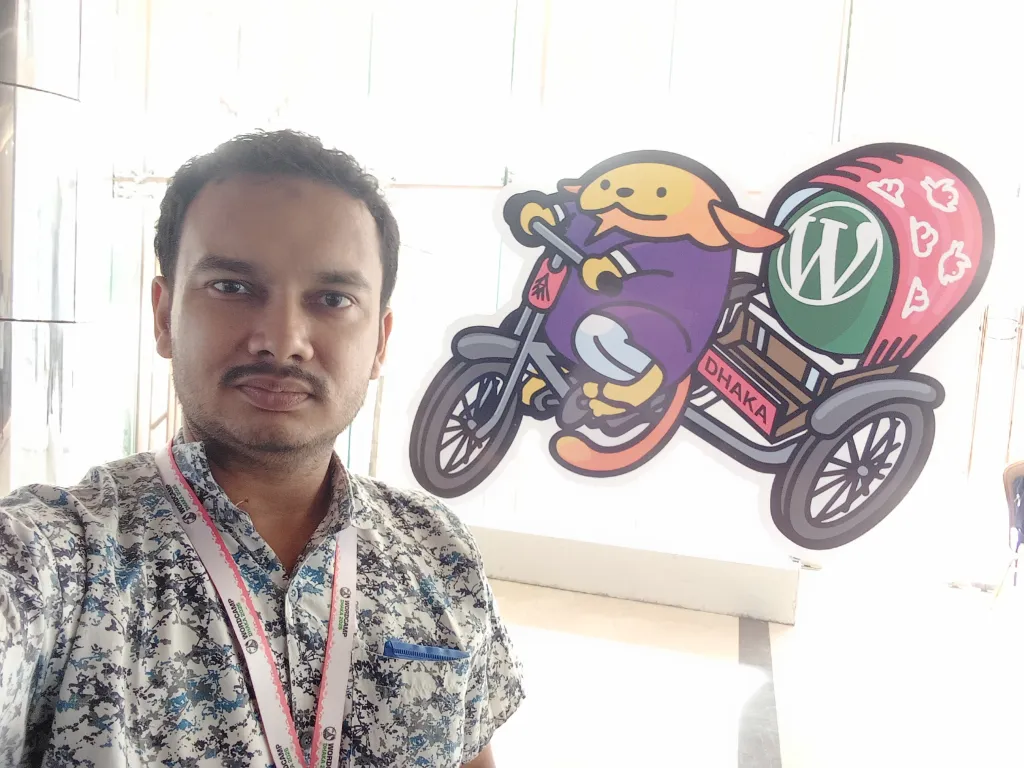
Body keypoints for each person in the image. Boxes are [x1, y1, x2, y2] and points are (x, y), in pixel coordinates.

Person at [0, 130, 524, 767]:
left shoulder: (436, 548)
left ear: (380, 342)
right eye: (231, 286)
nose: (282, 340)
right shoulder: (60, 558)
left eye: (333, 299)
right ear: (164, 317)